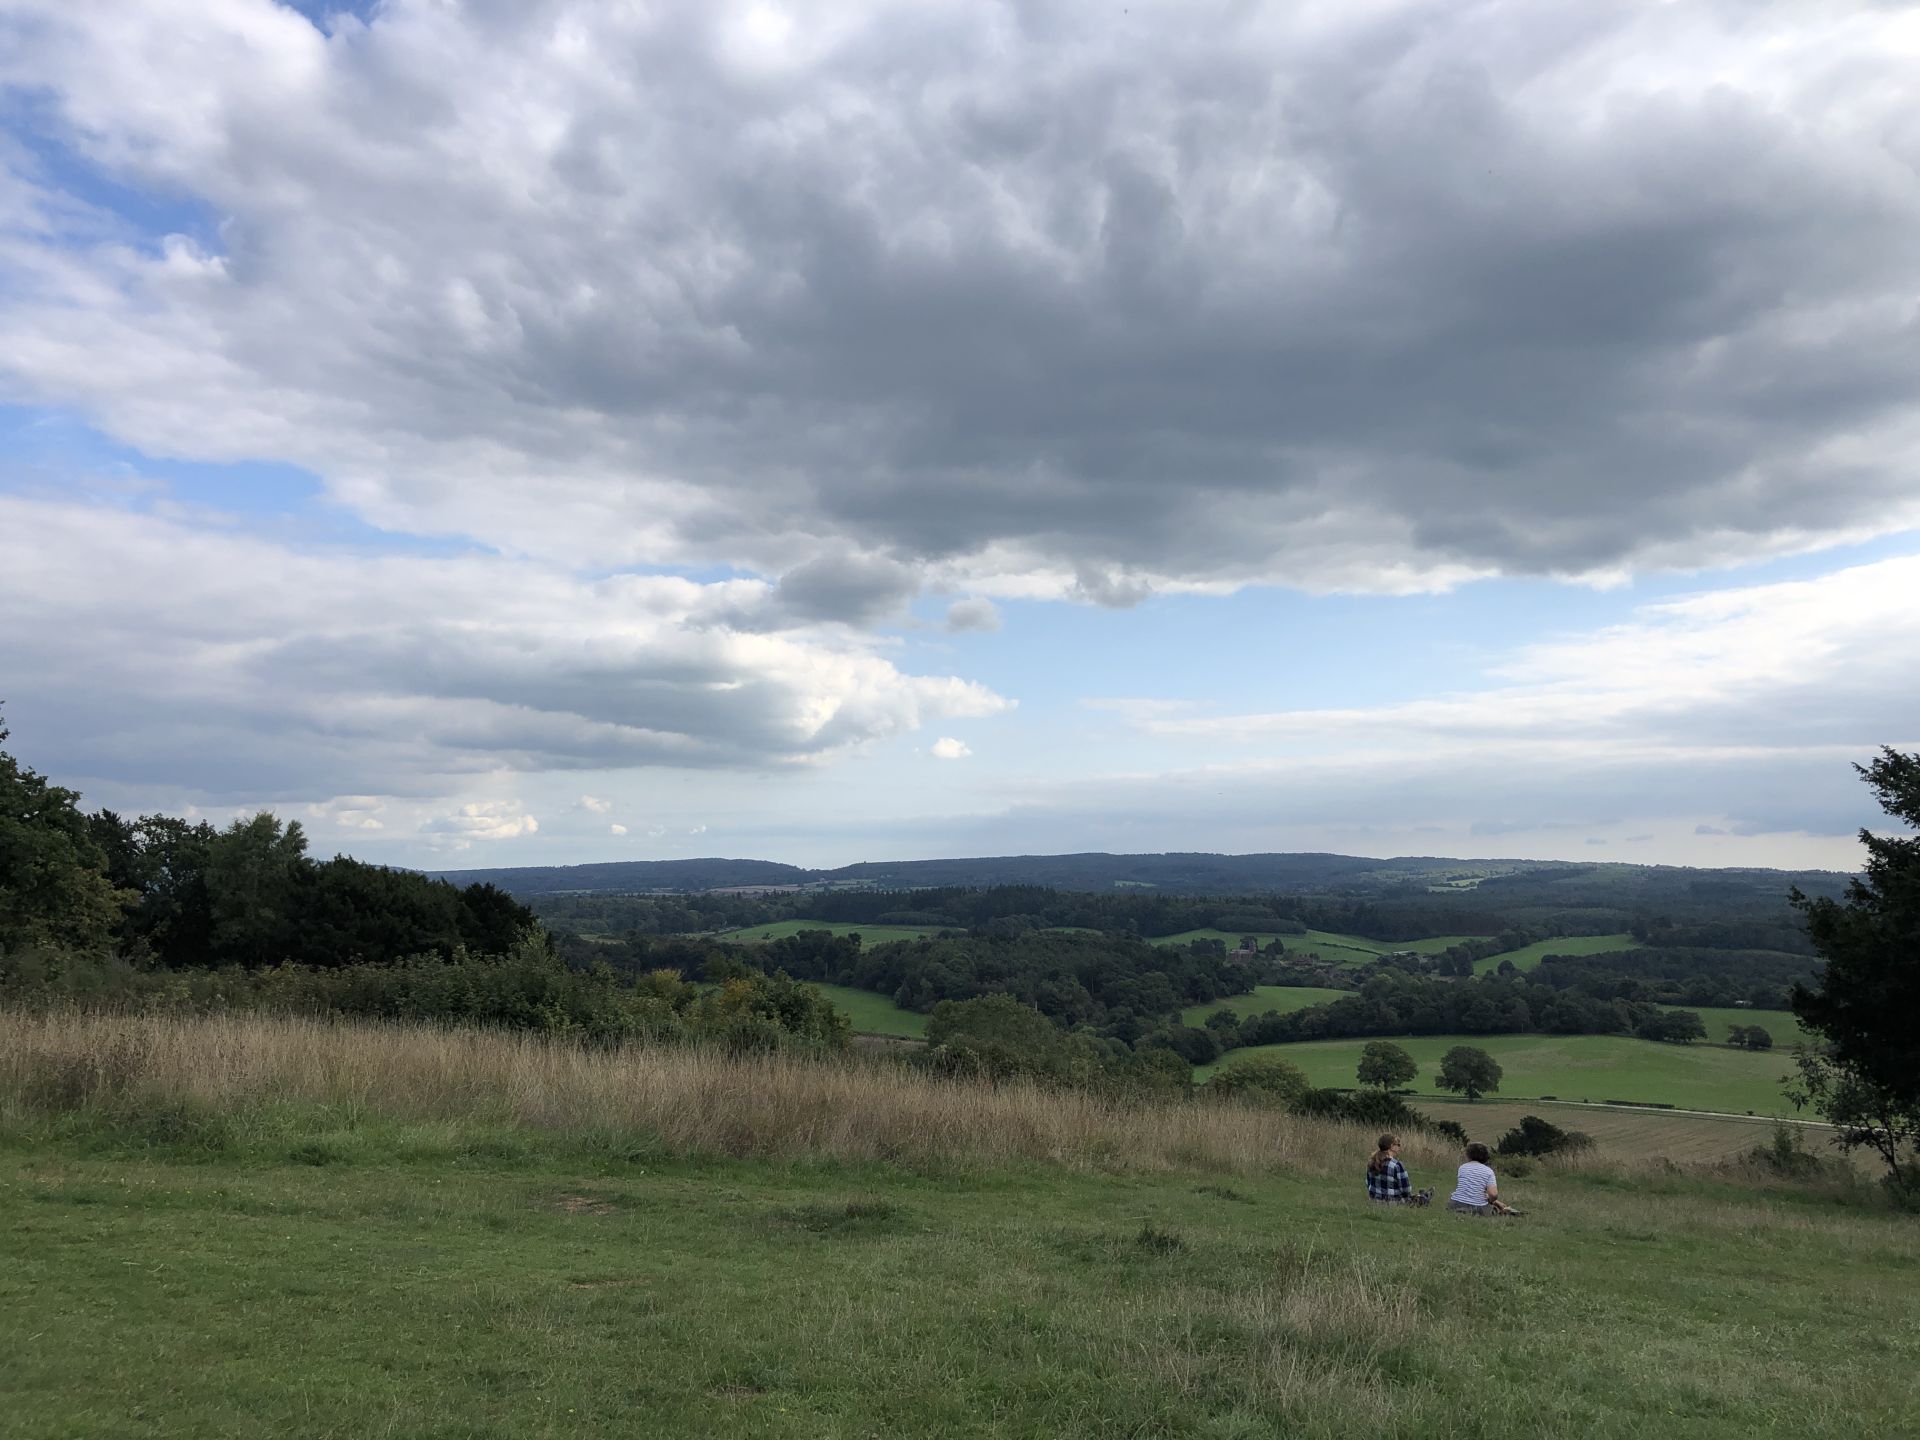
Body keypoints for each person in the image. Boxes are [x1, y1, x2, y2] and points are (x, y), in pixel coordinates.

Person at [1448, 1141, 1516, 1216]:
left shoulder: (1462, 1168)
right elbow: (1493, 1194)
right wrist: (1492, 1202)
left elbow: (1470, 1190)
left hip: (1455, 1204)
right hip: (1477, 1208)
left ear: (1469, 1155)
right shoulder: (1488, 1171)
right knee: (1493, 1210)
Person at [1365, 1133, 1434, 1206]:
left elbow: (1368, 1184)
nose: (1399, 1147)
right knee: (1415, 1199)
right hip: (1392, 1203)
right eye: (1398, 1145)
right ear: (1392, 1146)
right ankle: (1424, 1197)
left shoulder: (1372, 1162)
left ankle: (1423, 1195)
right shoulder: (1396, 1165)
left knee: (1414, 1197)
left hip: (1374, 1201)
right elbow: (1406, 1190)